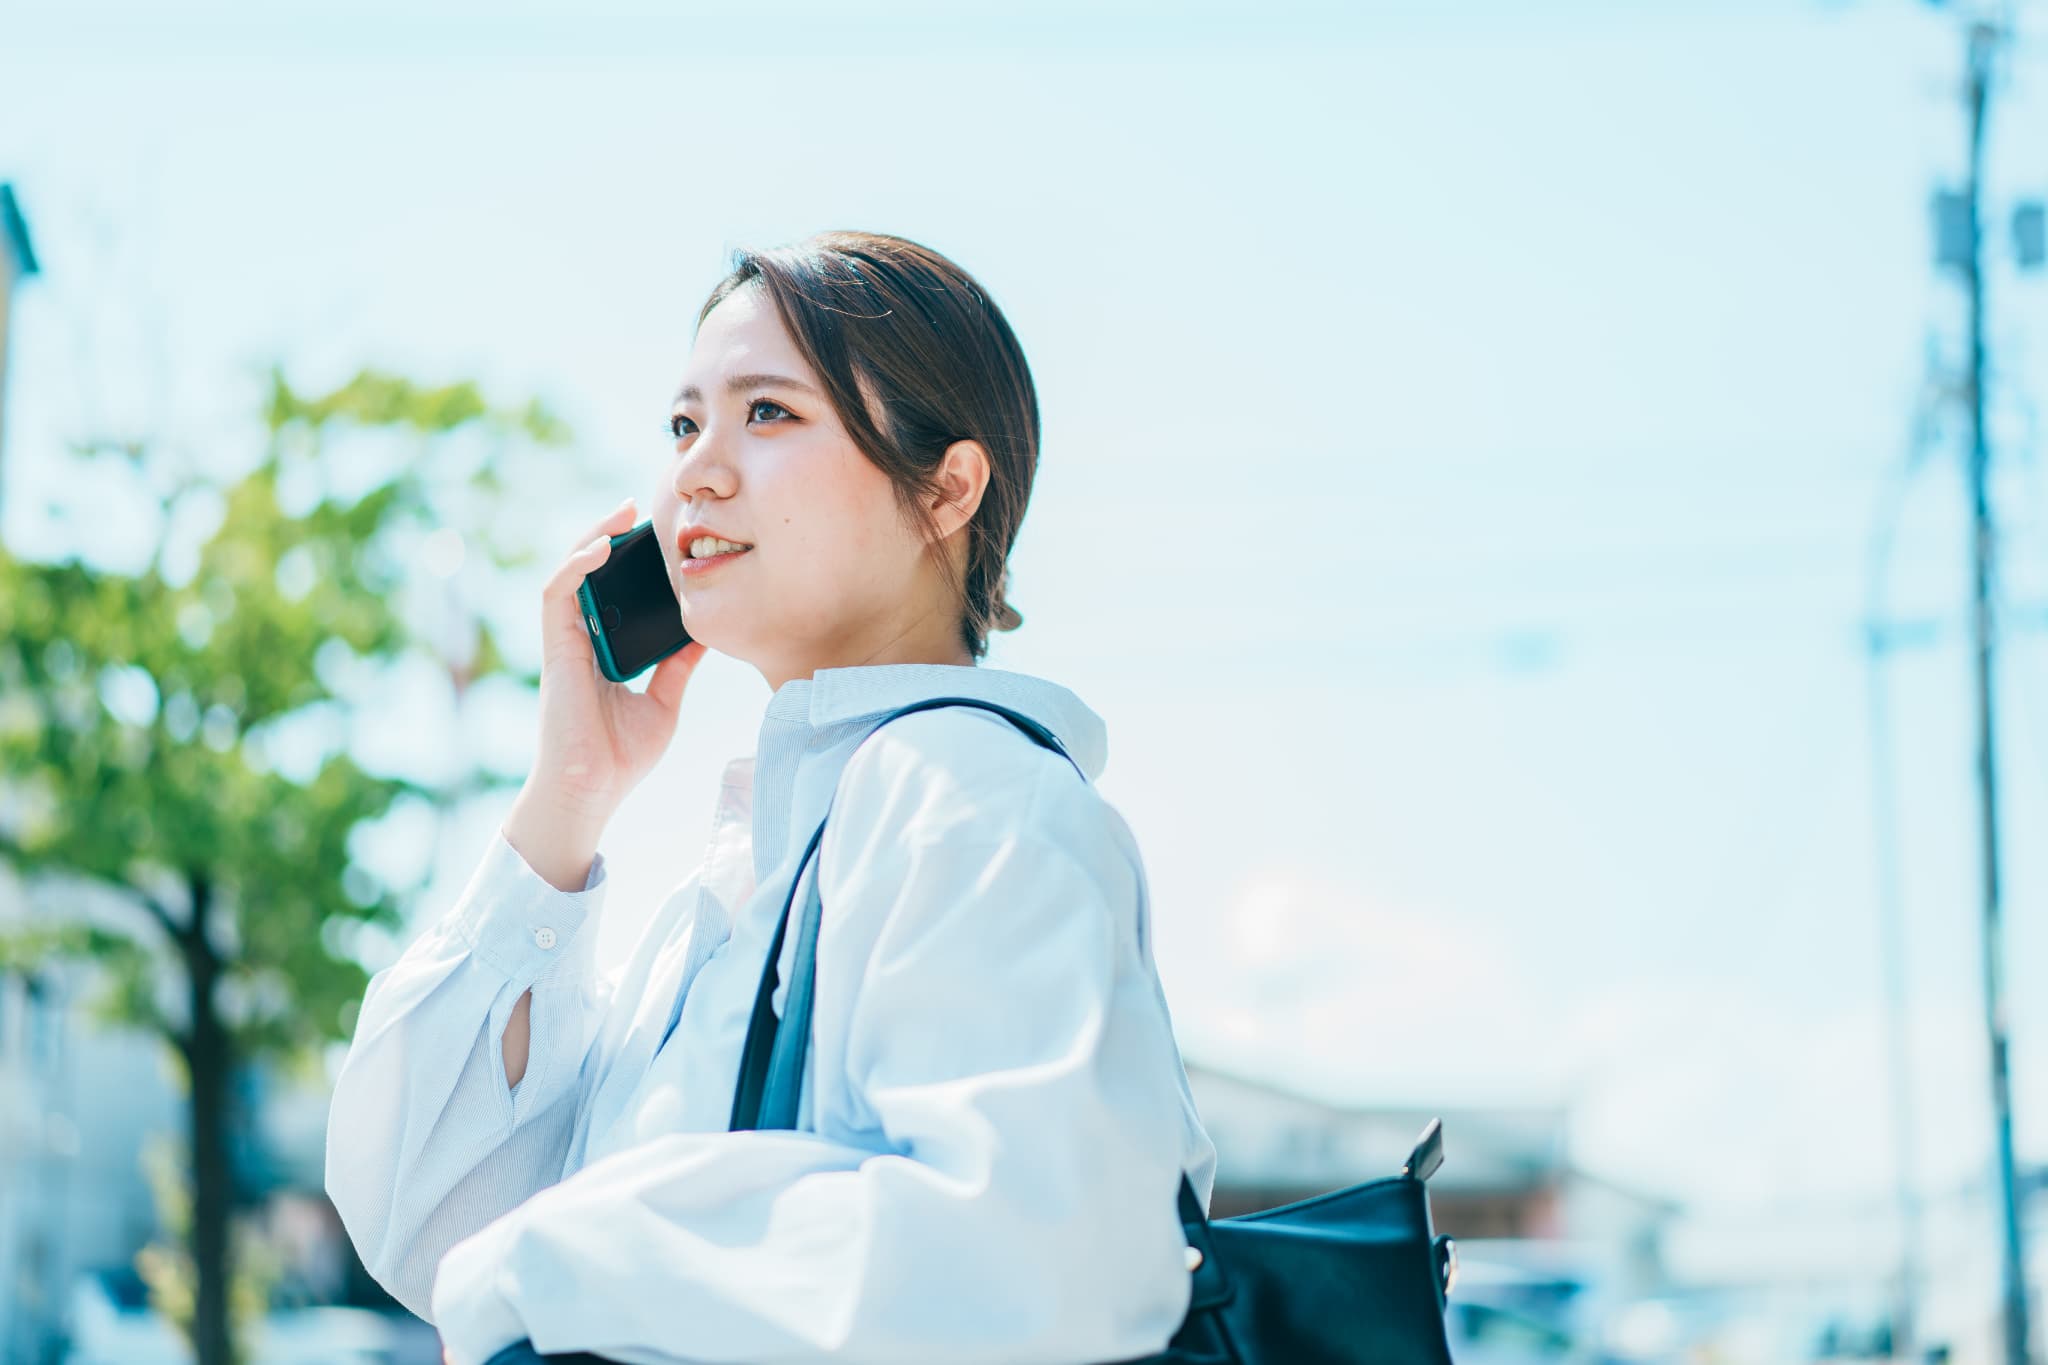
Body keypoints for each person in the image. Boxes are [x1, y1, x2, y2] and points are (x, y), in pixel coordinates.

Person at [323, 230, 1219, 1365]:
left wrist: (567, 1261)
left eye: (769, 414)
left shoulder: (969, 799)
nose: (696, 470)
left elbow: (1037, 1259)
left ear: (945, 489)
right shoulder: (752, 873)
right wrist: (568, 795)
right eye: (684, 423)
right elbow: (428, 1217)